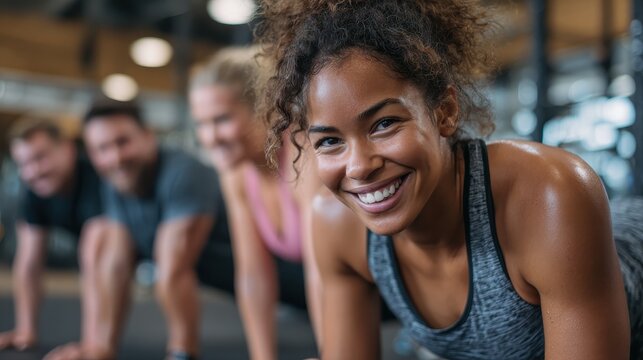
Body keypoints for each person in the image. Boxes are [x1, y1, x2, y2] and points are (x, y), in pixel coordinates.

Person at [255, 1, 643, 359]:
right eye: (330, 141)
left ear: (445, 111)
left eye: (385, 123)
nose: (358, 167)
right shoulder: (336, 225)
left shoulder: (551, 193)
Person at [44, 100, 233, 360]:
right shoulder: (116, 182)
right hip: (215, 274)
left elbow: (174, 271)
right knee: (98, 234)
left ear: (147, 136)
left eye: (123, 142)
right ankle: (99, 346)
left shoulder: (184, 172)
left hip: (289, 280)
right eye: (102, 148)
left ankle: (183, 353)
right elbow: (113, 256)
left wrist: (181, 354)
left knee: (170, 263)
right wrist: (93, 348)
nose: (116, 157)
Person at [189, 46, 323, 359]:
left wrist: (331, 350)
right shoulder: (235, 171)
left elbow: (325, 273)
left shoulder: (302, 152)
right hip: (316, 282)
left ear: (264, 109)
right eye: (201, 124)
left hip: (383, 286)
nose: (210, 138)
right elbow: (253, 276)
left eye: (221, 119)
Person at [0, 118, 103, 352]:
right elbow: (29, 263)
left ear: (67, 149)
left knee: (94, 253)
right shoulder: (34, 189)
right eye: (23, 164)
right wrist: (26, 331)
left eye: (40, 158)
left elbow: (95, 265)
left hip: (145, 238)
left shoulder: (94, 177)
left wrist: (91, 347)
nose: (33, 171)